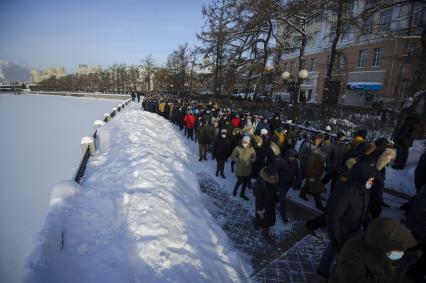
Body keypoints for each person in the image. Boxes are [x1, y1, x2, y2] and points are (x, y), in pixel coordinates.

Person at [317, 161, 377, 278]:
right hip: (341, 230)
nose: (372, 182)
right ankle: (323, 268)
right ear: (362, 177)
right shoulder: (345, 191)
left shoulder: (364, 190)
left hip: (354, 228)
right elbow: (333, 216)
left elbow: (364, 210)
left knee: (343, 251)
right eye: (370, 179)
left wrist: (368, 226)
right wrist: (335, 237)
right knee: (334, 249)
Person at [329, 217, 417, 283]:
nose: (402, 252)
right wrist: (386, 276)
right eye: (399, 249)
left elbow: (383, 260)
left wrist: (402, 262)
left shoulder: (378, 244)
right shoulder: (353, 254)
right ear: (384, 245)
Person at [254, 167, 280, 242]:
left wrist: (276, 201)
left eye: (273, 175)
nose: (273, 177)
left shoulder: (272, 182)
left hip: (270, 205)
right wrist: (260, 210)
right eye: (271, 176)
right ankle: (265, 235)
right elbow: (258, 199)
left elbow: (274, 193)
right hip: (264, 206)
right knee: (266, 221)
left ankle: (257, 224)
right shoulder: (261, 184)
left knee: (264, 219)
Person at [274, 149, 300, 223]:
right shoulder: (281, 162)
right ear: (287, 156)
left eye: (294, 157)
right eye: (291, 157)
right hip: (280, 184)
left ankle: (275, 201)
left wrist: (298, 181)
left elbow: (298, 172)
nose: (293, 158)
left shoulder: (295, 162)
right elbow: (274, 171)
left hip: (288, 184)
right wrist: (275, 182)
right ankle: (283, 214)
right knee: (283, 199)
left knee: (281, 196)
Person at [231, 135, 256, 201]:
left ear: (248, 142)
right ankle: (235, 190)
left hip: (247, 169)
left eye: (246, 142)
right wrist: (237, 160)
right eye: (243, 141)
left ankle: (242, 194)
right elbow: (233, 156)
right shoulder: (237, 148)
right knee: (239, 181)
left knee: (245, 183)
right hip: (239, 169)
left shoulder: (251, 149)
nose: (244, 143)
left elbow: (254, 157)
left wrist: (251, 160)